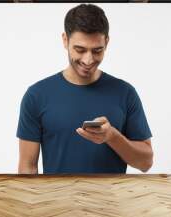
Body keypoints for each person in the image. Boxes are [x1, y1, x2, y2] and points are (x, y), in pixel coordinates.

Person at [17, 3, 153, 174]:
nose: (88, 60)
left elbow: (146, 163)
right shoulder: (36, 95)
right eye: (80, 50)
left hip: (111, 200)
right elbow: (27, 167)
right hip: (56, 199)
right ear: (65, 40)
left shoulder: (126, 93)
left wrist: (112, 136)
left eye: (97, 50)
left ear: (107, 42)